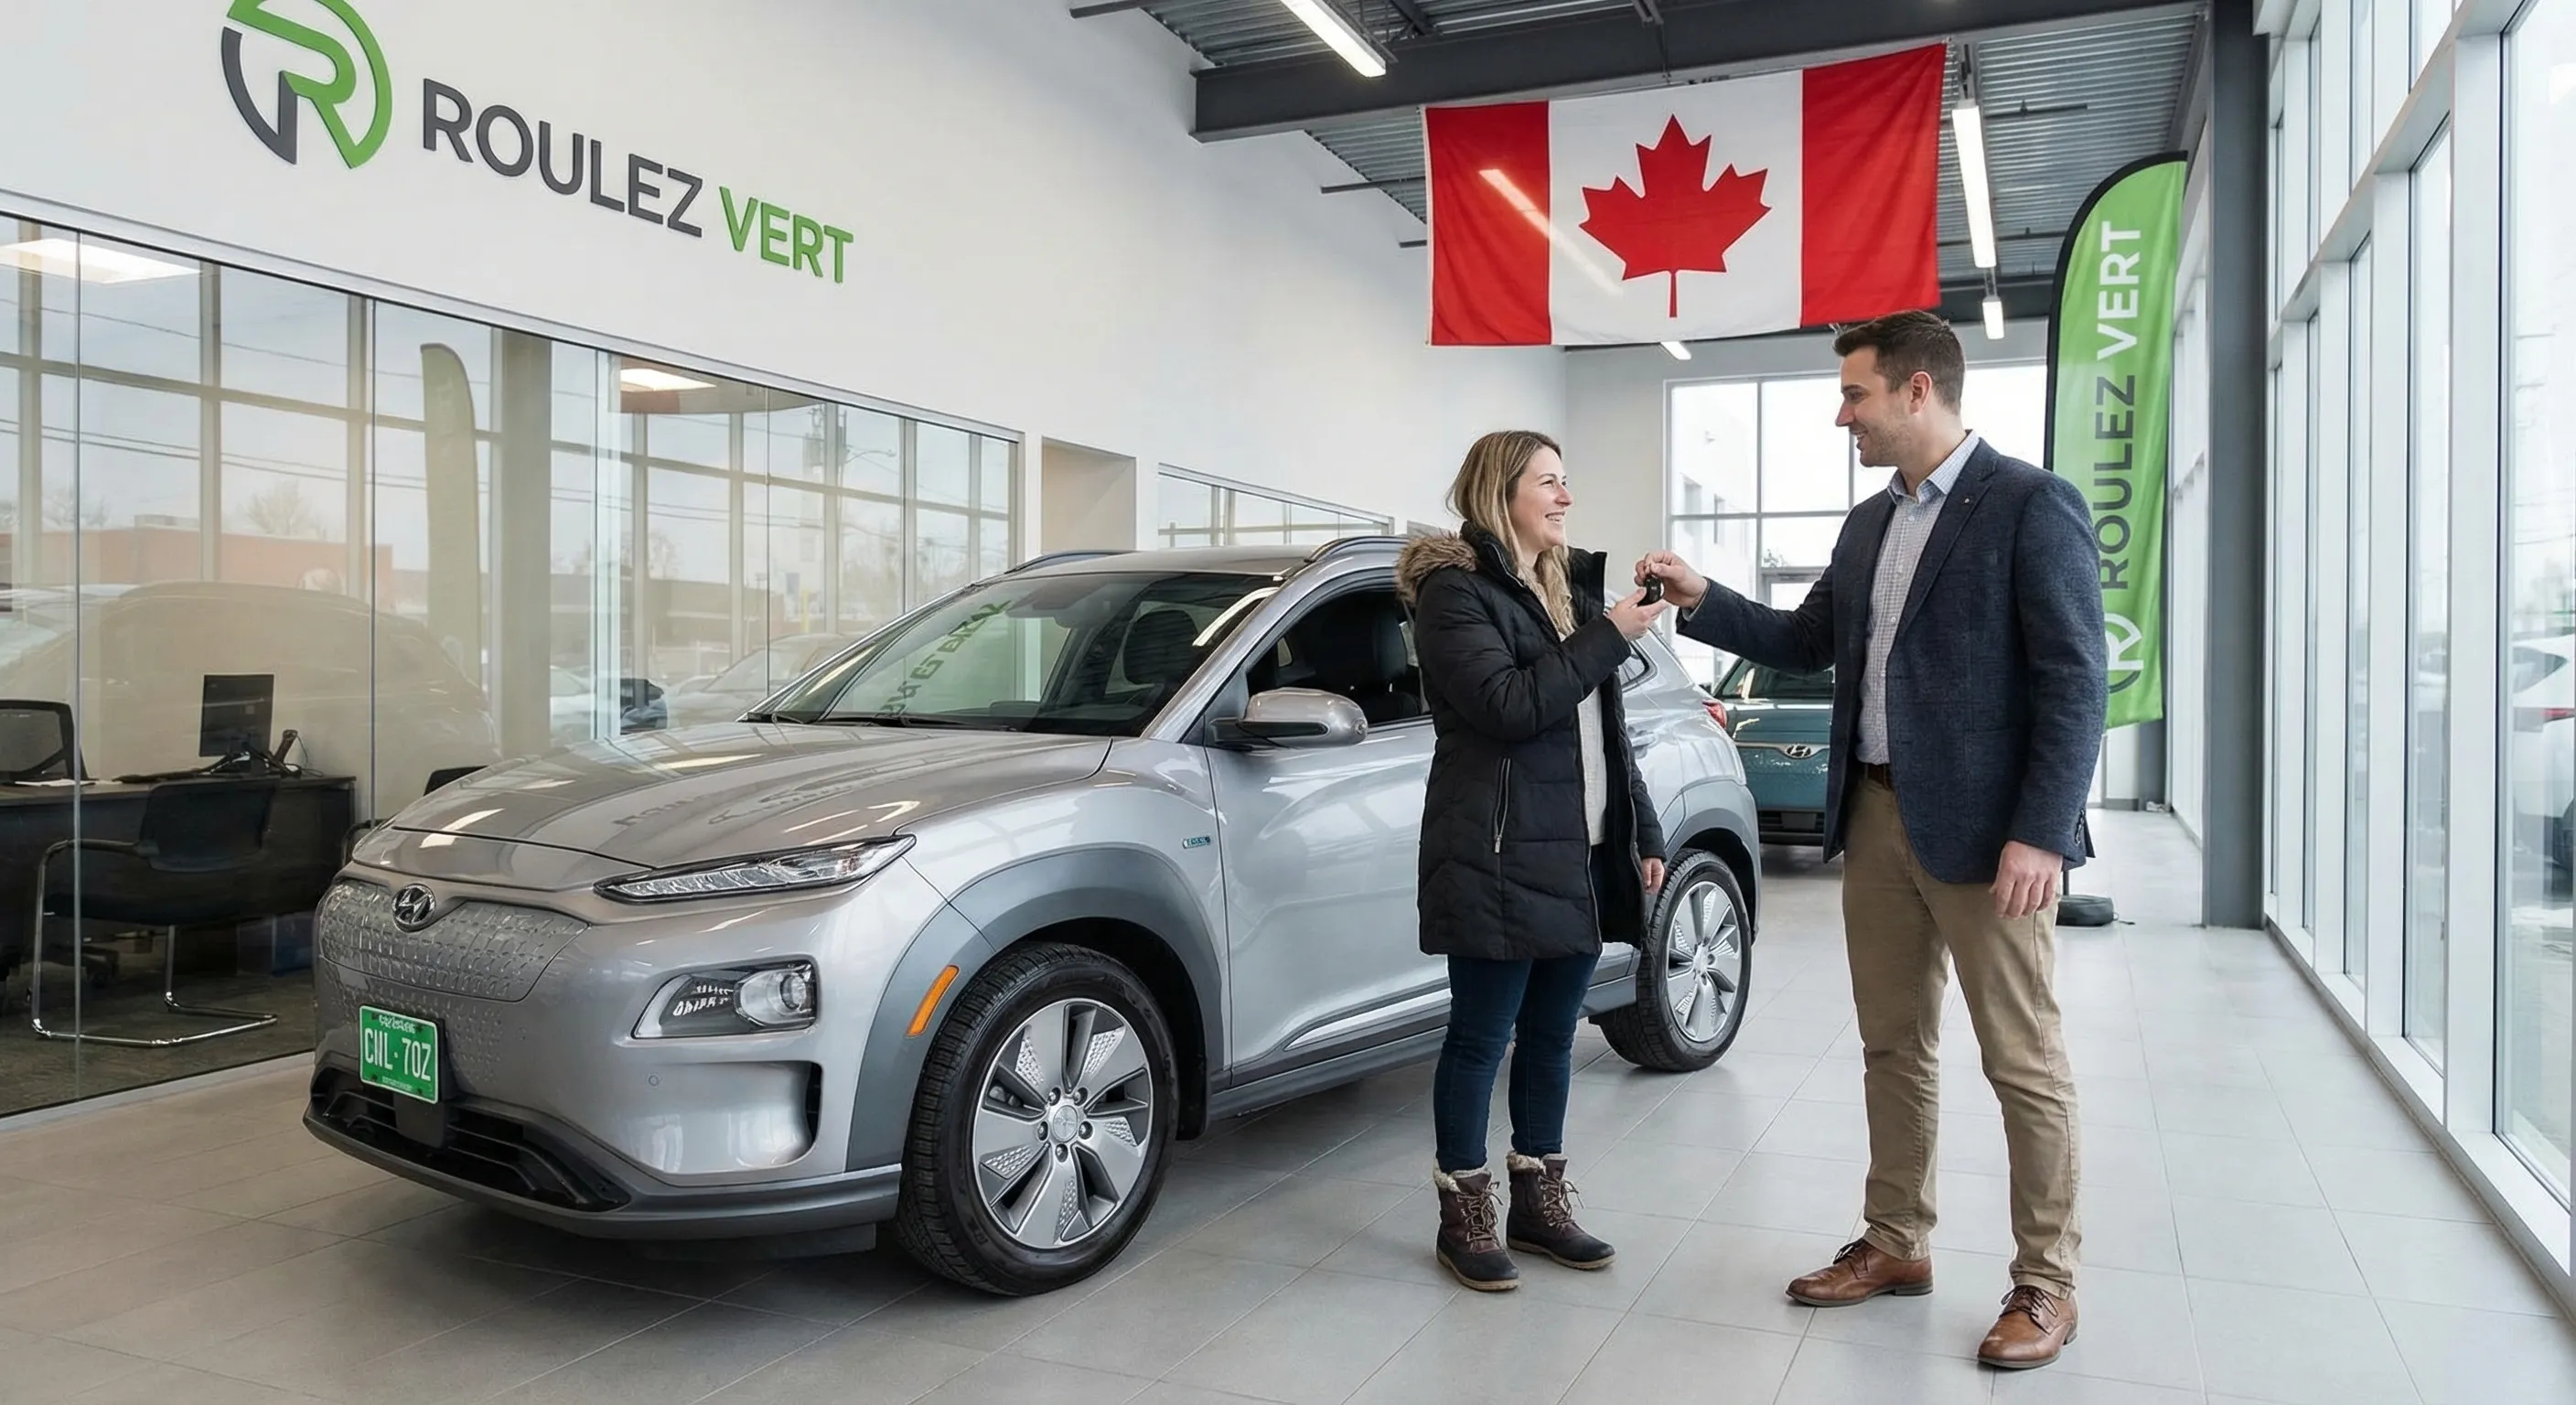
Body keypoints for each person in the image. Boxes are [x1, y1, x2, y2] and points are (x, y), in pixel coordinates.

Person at [1636, 310, 2106, 1369]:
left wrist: (2040, 833)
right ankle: (1896, 1242)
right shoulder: (1866, 525)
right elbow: (1805, 643)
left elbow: (2077, 681)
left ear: (1915, 392)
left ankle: (2046, 1282)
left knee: (2020, 1061)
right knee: (1893, 1047)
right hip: (1878, 815)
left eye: (1852, 393)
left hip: (1993, 841)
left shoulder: (2030, 506)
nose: (1837, 411)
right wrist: (1702, 599)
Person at [1395, 430, 1670, 1293]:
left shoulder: (1561, 594)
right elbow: (1509, 706)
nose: (1566, 497)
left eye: (1566, 481)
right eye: (1549, 482)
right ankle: (1463, 1209)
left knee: (1553, 1037)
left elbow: (1601, 732)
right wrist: (1612, 634)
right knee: (1482, 1038)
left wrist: (1644, 832)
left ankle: (1539, 1203)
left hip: (1581, 851)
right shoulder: (1453, 593)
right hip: (1498, 853)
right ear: (1501, 493)